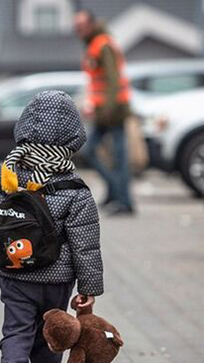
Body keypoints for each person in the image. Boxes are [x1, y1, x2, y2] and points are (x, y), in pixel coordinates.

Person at [0, 91, 104, 363]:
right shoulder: (74, 187)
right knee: (52, 335)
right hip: (57, 280)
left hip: (15, 272)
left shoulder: (8, 177)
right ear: (73, 135)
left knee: (16, 329)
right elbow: (86, 243)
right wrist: (89, 290)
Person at [74, 9, 135, 215]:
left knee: (117, 157)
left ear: (91, 25)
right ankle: (115, 194)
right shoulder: (94, 44)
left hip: (113, 110)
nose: (78, 31)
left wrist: (106, 109)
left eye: (81, 26)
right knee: (96, 152)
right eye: (77, 27)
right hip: (105, 109)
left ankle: (124, 200)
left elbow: (113, 80)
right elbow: (96, 81)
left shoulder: (103, 44)